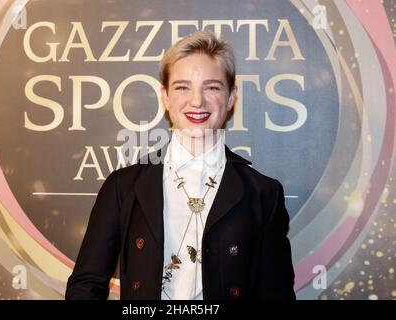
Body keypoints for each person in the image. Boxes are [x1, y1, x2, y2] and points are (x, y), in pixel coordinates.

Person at [65, 31, 295, 300]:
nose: (197, 101)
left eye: (212, 87)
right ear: (165, 96)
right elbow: (86, 285)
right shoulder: (123, 186)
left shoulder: (263, 193)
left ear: (232, 95)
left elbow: (276, 295)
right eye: (182, 87)